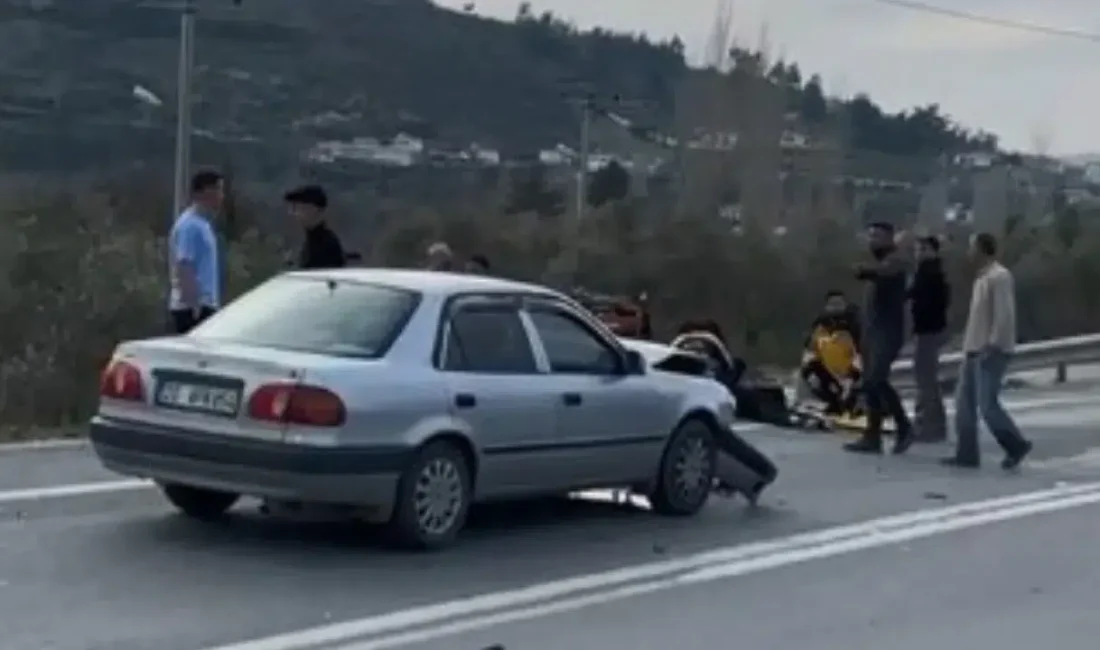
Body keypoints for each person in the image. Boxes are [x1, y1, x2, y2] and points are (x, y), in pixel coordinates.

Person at [943, 232, 1033, 470]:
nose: (969, 252)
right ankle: (967, 454)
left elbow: (1004, 314)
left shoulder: (1000, 276)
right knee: (964, 404)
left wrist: (993, 344)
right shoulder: (981, 278)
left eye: (972, 247)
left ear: (982, 249)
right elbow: (980, 317)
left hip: (990, 350)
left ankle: (1016, 444)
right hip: (973, 348)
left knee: (987, 405)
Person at [845, 221, 915, 455]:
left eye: (877, 236)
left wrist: (865, 271)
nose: (872, 241)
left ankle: (904, 426)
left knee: (875, 380)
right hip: (873, 332)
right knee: (871, 382)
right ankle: (872, 436)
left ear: (889, 239)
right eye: (870, 236)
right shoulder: (883, 262)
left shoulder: (895, 261)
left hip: (889, 332)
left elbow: (886, 272)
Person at [168, 169, 224, 334]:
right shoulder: (190, 225)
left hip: (205, 305)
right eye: (219, 190)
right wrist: (194, 305)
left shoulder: (203, 224)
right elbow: (184, 264)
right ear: (206, 191)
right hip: (193, 308)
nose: (222, 196)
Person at [909, 235, 950, 442]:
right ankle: (933, 423)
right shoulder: (928, 272)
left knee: (925, 379)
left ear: (933, 251)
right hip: (929, 330)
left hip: (928, 331)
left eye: (924, 249)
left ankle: (928, 424)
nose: (920, 253)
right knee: (927, 379)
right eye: (918, 249)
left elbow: (923, 300)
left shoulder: (929, 274)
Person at [800, 291, 862, 416]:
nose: (835, 308)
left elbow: (862, 353)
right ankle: (834, 403)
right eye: (832, 304)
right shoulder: (819, 328)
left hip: (852, 372)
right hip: (830, 373)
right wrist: (808, 369)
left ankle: (856, 406)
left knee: (855, 389)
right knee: (811, 375)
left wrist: (853, 375)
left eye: (839, 304)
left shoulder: (855, 326)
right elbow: (811, 351)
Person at [284, 184, 346, 269]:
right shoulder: (310, 242)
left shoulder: (326, 244)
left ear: (313, 209)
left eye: (298, 208)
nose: (294, 214)